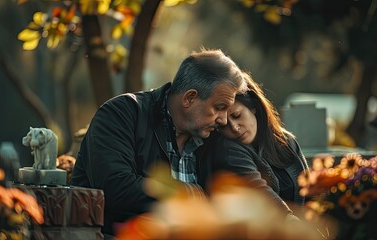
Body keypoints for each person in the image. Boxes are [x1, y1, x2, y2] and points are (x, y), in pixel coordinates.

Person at [70, 48, 247, 236]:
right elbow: (115, 186)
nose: (224, 120)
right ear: (190, 98)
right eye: (219, 108)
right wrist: (187, 194)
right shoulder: (121, 114)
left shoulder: (213, 137)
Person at [212, 72, 309, 221]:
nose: (235, 128)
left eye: (237, 116)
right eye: (223, 126)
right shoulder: (228, 150)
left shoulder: (286, 141)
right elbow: (259, 189)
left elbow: (310, 188)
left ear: (253, 107)